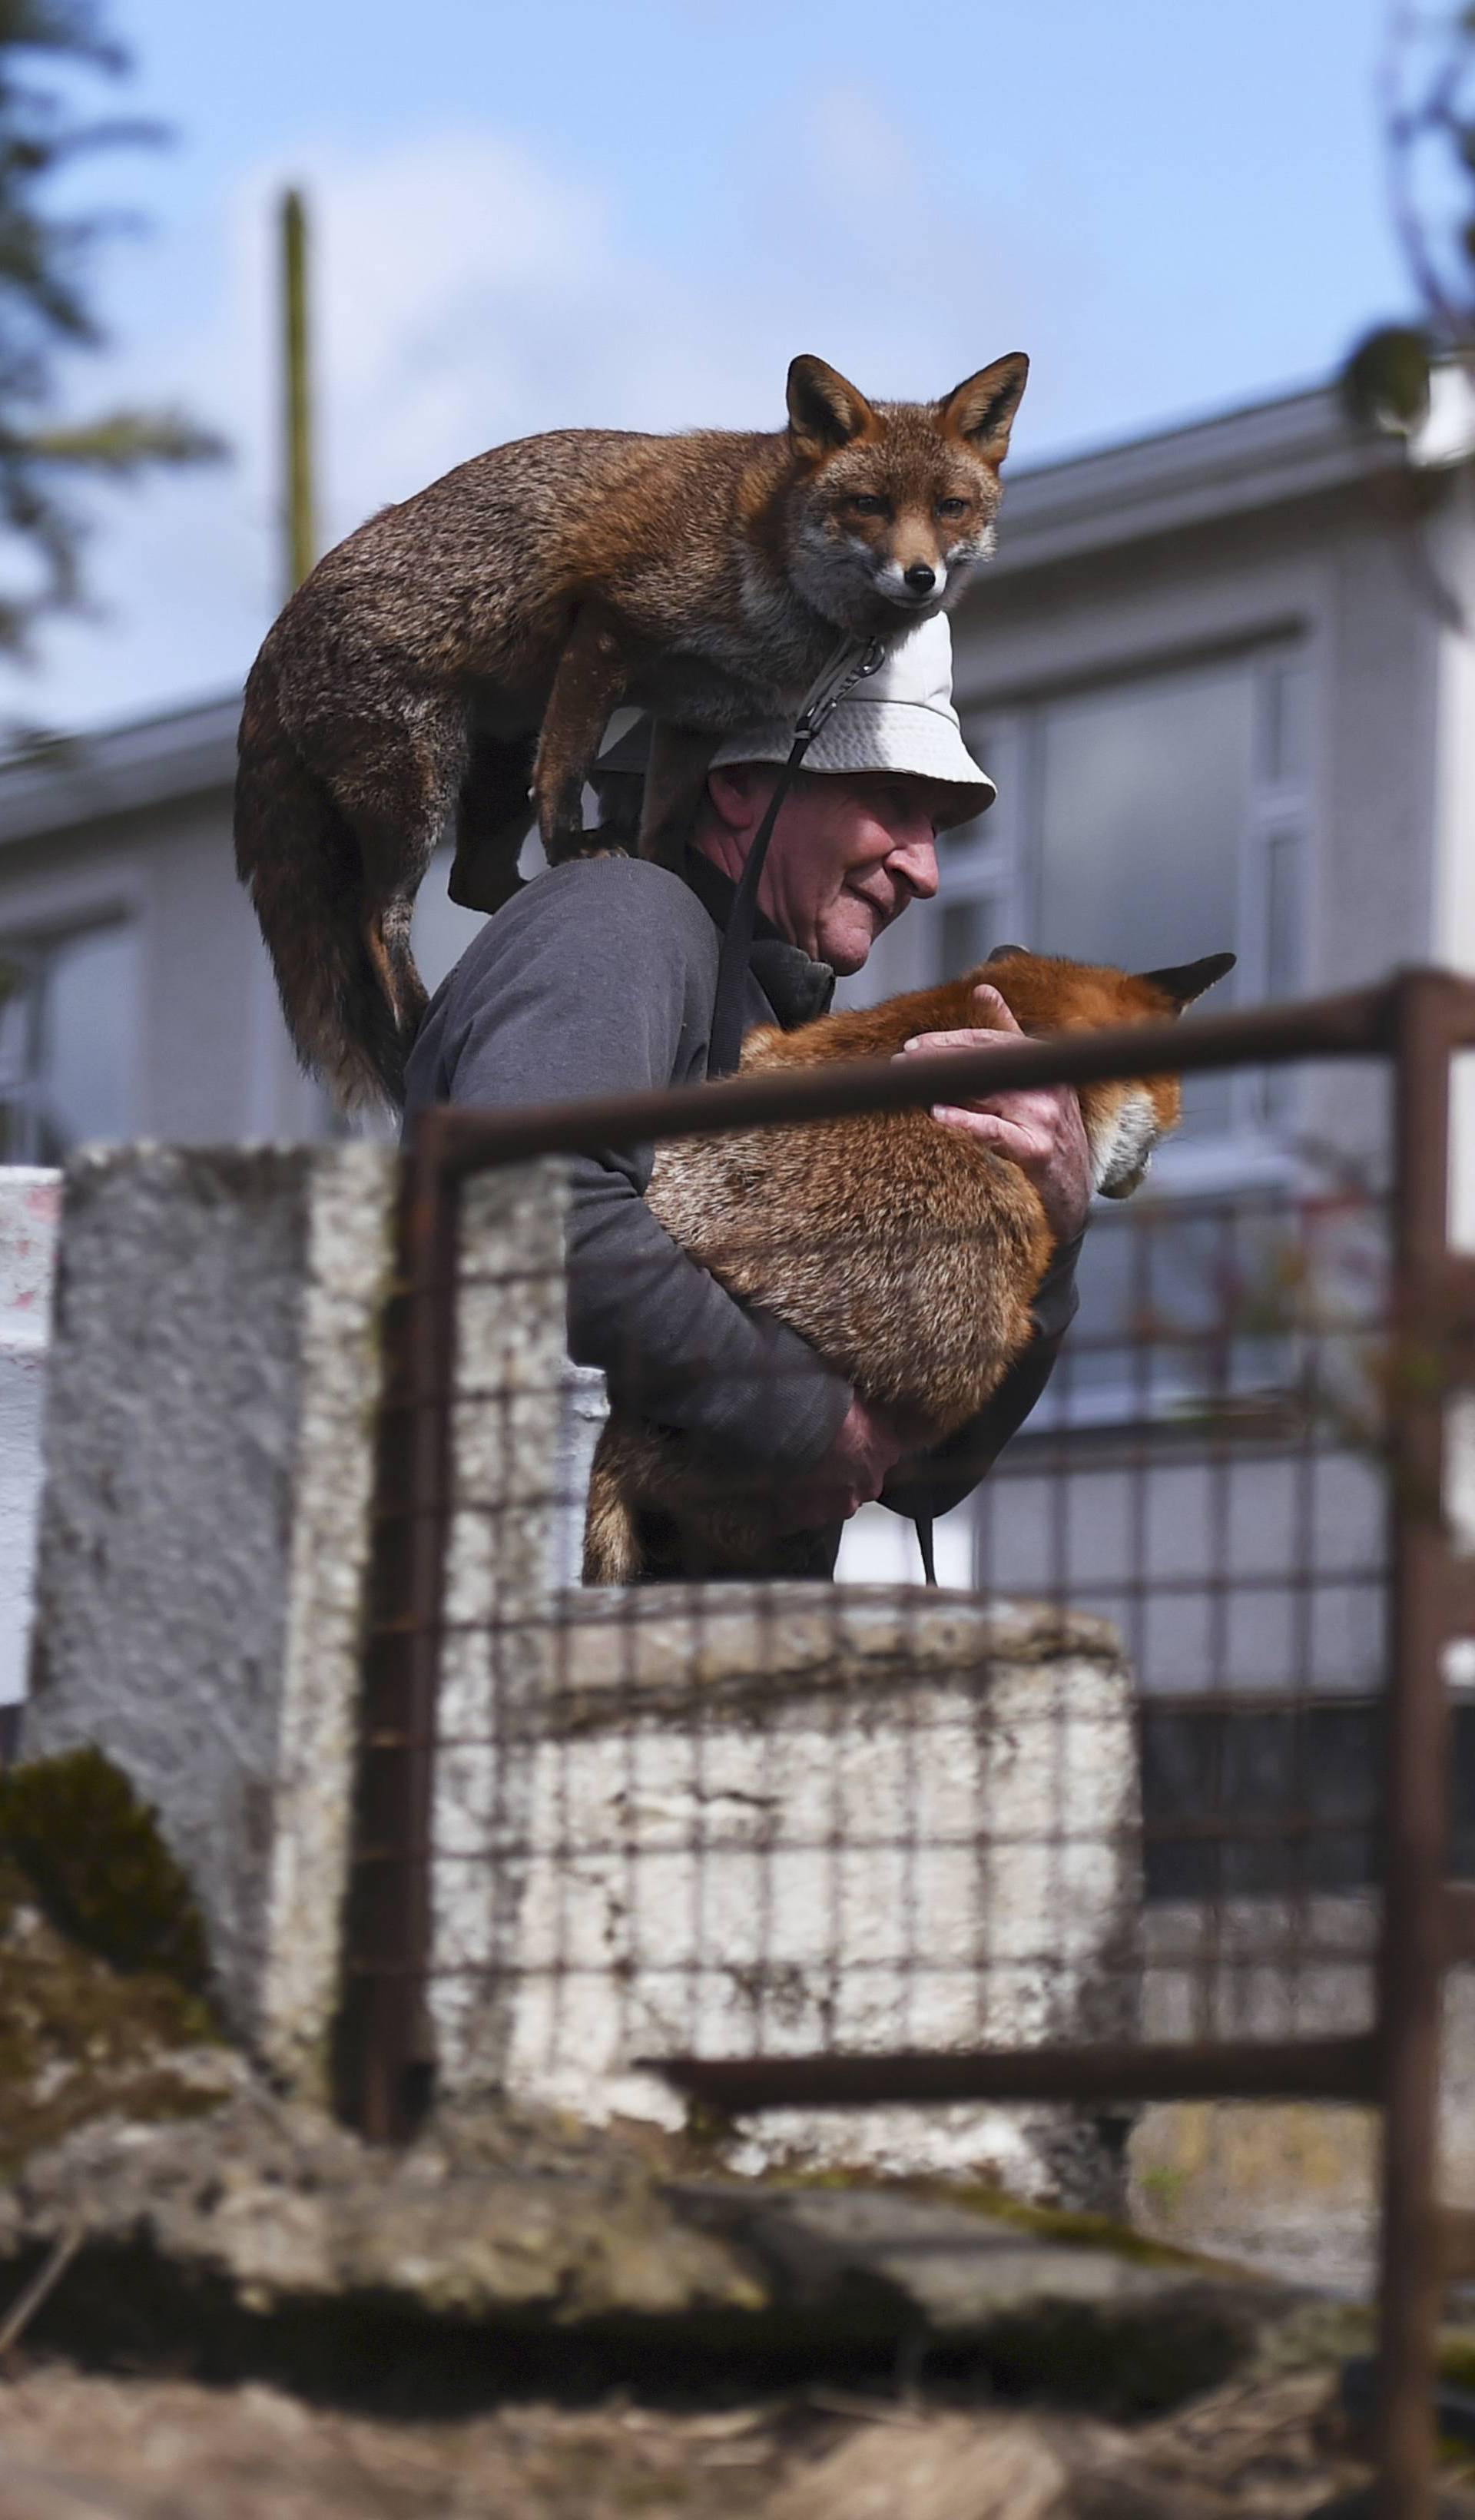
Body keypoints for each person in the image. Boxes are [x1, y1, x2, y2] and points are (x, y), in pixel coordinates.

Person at [402, 616, 1092, 1578]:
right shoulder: (622, 919)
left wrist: (1055, 1222)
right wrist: (802, 1417)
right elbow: (516, 1205)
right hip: (519, 1657)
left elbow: (916, 1473)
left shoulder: (785, 1027)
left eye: (939, 826)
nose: (927, 868)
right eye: (893, 799)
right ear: (734, 782)